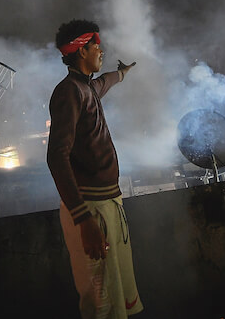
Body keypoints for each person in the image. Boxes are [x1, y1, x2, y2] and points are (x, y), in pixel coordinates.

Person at [46, 19, 143, 318]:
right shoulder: (69, 92)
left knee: (115, 296)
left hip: (105, 207)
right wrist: (83, 219)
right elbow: (56, 157)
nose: (101, 51)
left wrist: (123, 73)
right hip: (90, 211)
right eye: (95, 46)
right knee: (101, 303)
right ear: (81, 51)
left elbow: (106, 82)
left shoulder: (86, 87)